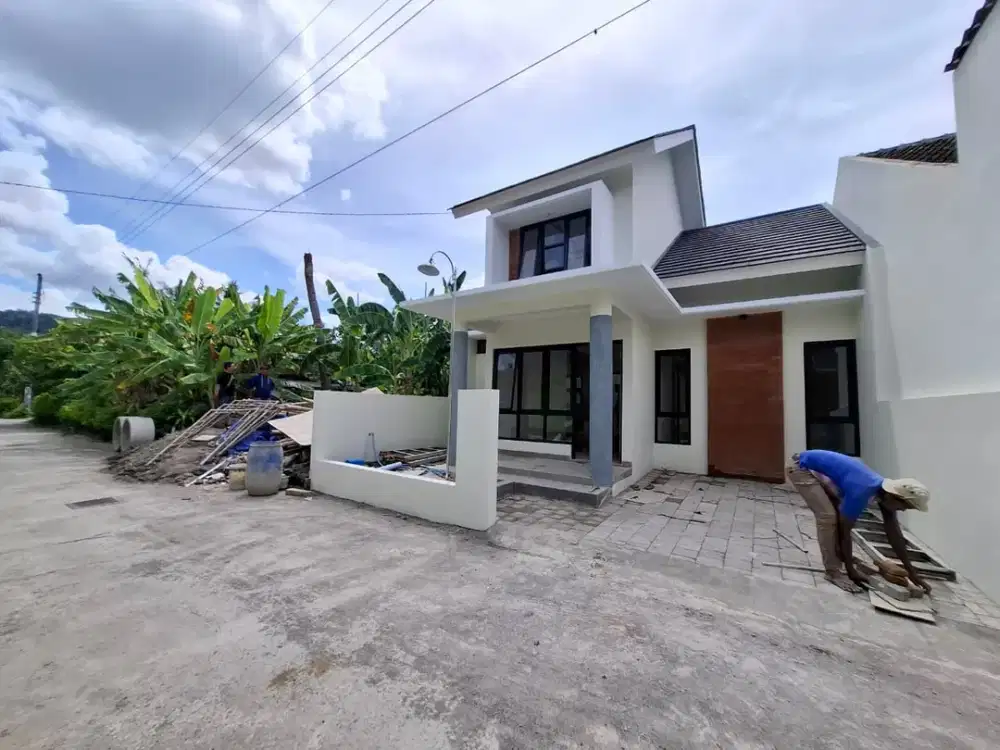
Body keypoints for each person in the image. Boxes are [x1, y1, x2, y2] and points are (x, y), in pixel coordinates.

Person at [786, 449, 931, 594]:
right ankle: (833, 573)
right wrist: (851, 570)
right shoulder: (862, 491)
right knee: (828, 518)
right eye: (904, 506)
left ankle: (840, 556)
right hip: (801, 468)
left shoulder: (884, 493)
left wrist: (911, 571)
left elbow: (894, 534)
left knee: (838, 515)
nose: (904, 510)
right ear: (894, 496)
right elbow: (845, 532)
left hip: (821, 472)